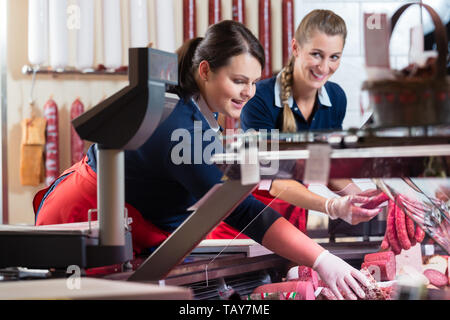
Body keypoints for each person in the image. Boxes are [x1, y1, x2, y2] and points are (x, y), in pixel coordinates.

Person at [33, 20, 373, 300]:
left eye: (253, 82)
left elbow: (233, 190)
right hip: (84, 218)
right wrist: (323, 259)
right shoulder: (176, 122)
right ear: (206, 71)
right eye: (239, 81)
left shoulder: (203, 110)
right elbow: (240, 210)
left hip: (138, 224)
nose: (249, 92)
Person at [209, 9, 381, 240]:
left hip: (292, 220)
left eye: (334, 57)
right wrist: (332, 206)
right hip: (244, 225)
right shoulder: (260, 97)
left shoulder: (336, 98)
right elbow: (274, 181)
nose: (324, 67)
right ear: (296, 48)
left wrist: (360, 198)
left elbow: (323, 166)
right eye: (317, 54)